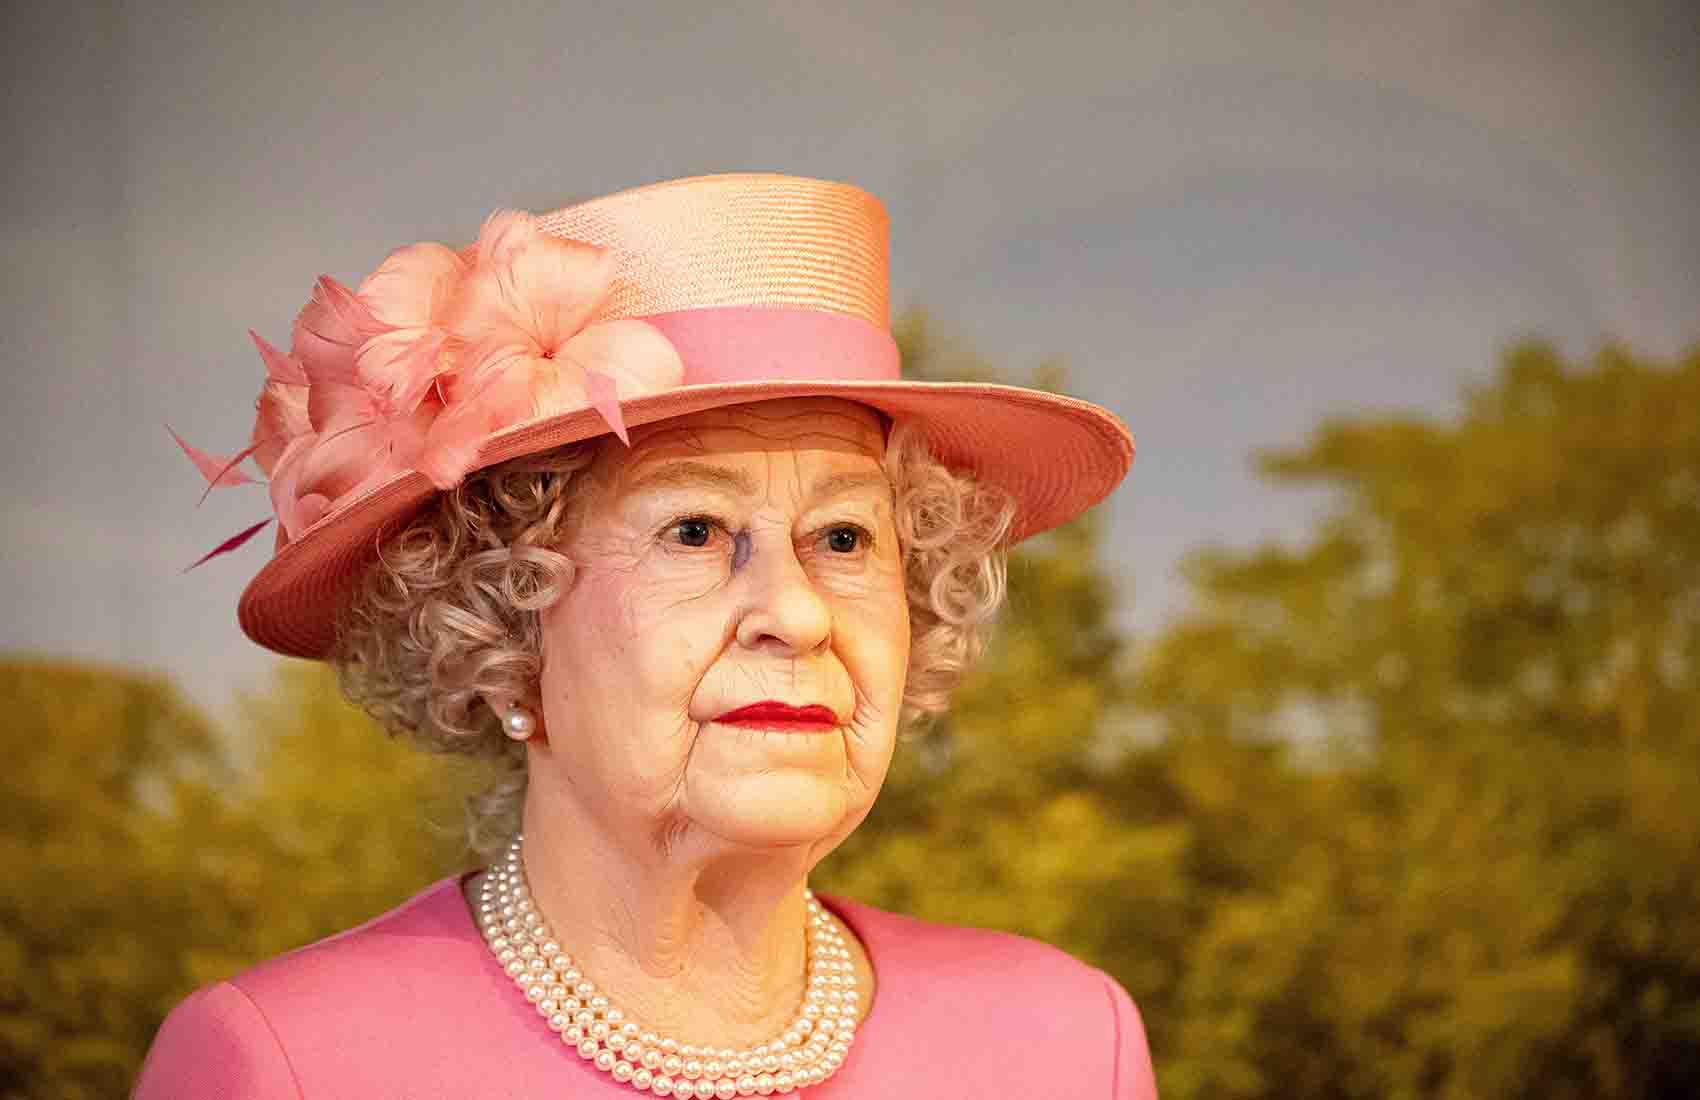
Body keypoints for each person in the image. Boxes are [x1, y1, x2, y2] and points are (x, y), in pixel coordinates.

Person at [136, 173, 1155, 1098]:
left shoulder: (1067, 1041)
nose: (795, 614)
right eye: (695, 530)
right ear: (497, 621)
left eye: (843, 535)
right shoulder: (287, 1063)